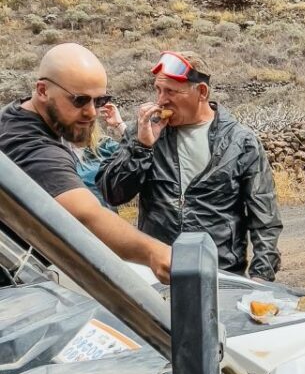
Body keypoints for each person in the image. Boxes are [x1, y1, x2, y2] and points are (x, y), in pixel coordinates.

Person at [99, 50, 283, 281]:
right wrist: (142, 147)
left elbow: (264, 216)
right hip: (158, 273)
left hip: (220, 274)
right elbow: (113, 193)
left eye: (171, 92)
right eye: (158, 89)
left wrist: (260, 279)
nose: (161, 100)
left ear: (202, 92)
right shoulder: (144, 132)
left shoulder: (240, 142)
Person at [0, 43, 171, 282]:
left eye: (99, 101)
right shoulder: (32, 146)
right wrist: (156, 253)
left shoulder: (15, 115)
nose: (91, 113)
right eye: (79, 100)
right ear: (41, 90)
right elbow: (85, 217)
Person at [73, 103, 126, 208]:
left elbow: (139, 154)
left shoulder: (104, 146)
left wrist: (119, 125)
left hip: (107, 219)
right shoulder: (57, 152)